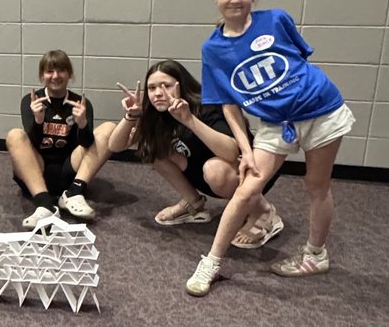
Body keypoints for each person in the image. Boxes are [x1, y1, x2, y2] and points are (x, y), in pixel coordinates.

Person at [186, 0, 355, 297]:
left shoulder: (276, 20)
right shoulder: (213, 49)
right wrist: (246, 150)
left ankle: (315, 255)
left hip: (322, 109)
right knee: (247, 188)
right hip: (274, 124)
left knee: (316, 186)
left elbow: (300, 62)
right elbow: (228, 103)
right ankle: (212, 262)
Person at [107, 59, 281, 246]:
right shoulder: (156, 114)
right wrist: (131, 116)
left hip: (249, 173)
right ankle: (194, 203)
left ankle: (262, 211)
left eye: (165, 86)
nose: (158, 93)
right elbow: (115, 146)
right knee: (154, 150)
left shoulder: (205, 106)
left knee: (214, 169)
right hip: (203, 170)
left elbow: (231, 152)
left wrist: (189, 120)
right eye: (152, 88)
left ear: (179, 86)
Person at [5, 49, 116, 229]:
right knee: (15, 135)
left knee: (109, 129)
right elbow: (31, 143)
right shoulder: (31, 100)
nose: (55, 76)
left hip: (69, 171)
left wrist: (82, 124)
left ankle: (74, 193)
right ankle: (44, 204)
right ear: (42, 75)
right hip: (37, 172)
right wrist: (39, 121)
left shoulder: (80, 102)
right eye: (49, 71)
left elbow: (88, 145)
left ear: (69, 74)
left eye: (61, 70)